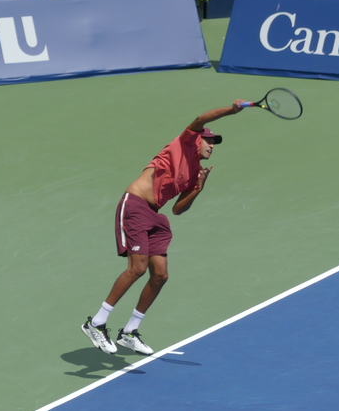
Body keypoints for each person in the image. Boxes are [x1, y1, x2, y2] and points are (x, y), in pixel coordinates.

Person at [81, 100, 245, 355]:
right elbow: (201, 118)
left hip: (155, 216)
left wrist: (198, 189)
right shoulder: (182, 144)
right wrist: (230, 110)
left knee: (160, 275)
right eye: (209, 141)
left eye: (214, 144)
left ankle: (129, 332)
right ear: (197, 141)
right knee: (137, 268)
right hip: (135, 205)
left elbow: (178, 209)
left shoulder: (195, 173)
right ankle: (96, 323)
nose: (212, 146)